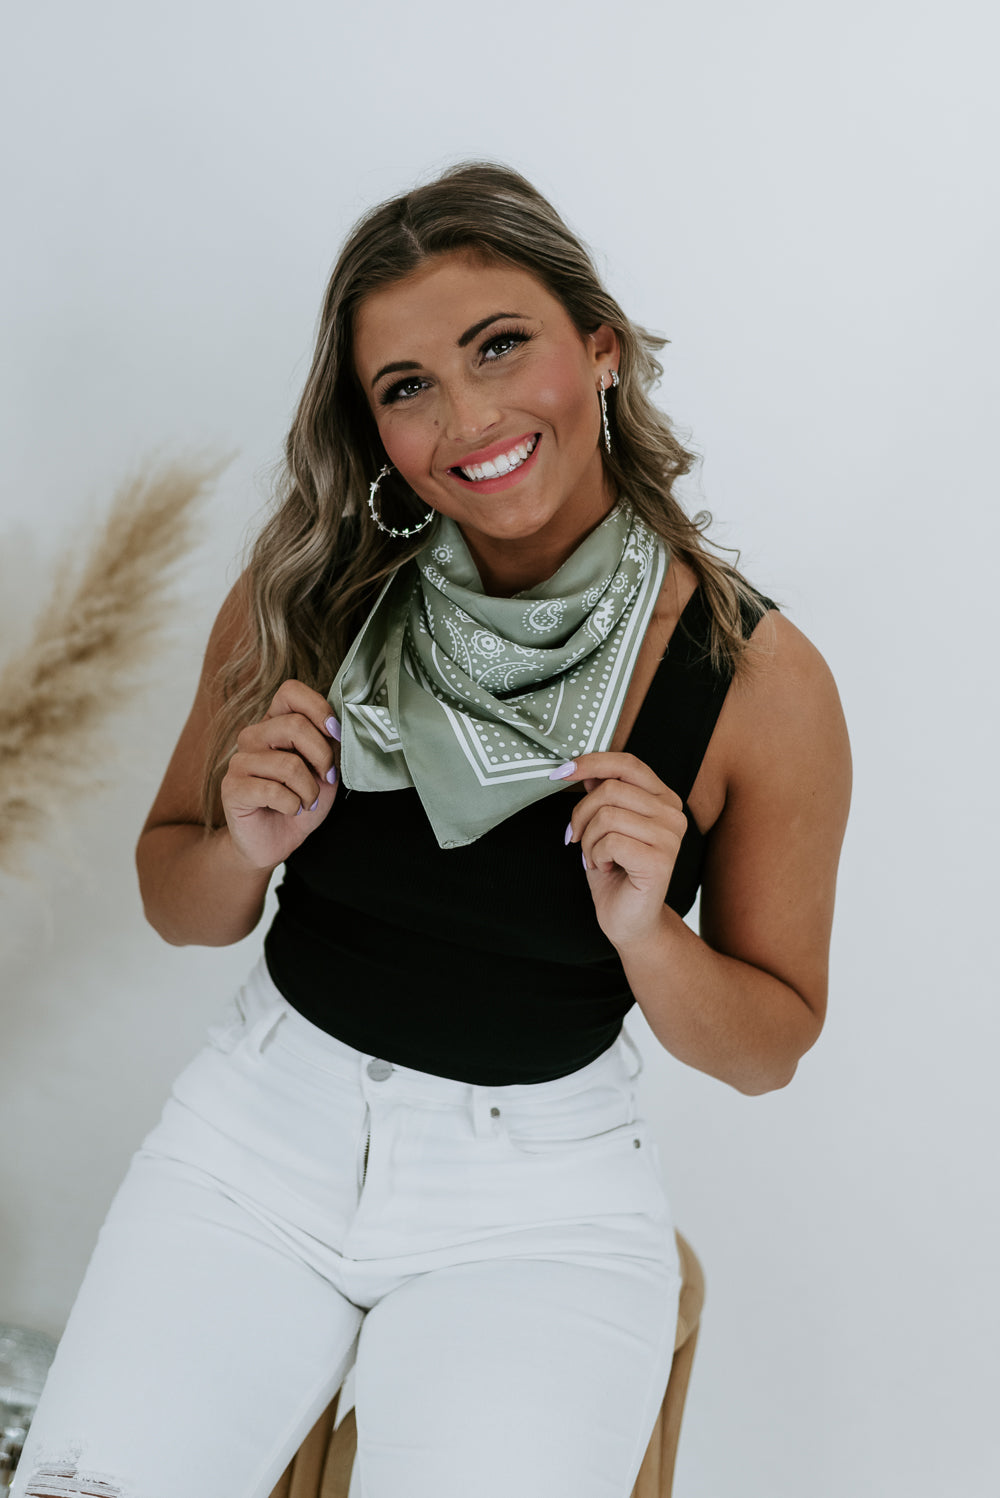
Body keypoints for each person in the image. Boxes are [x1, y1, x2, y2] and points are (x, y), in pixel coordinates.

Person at [13, 162, 851, 1498]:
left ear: (601, 349)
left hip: (540, 1209)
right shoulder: (313, 591)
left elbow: (770, 1048)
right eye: (407, 386)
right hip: (249, 1146)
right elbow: (177, 899)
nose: (468, 417)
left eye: (499, 346)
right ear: (373, 425)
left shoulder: (755, 679)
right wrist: (241, 843)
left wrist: (649, 934)